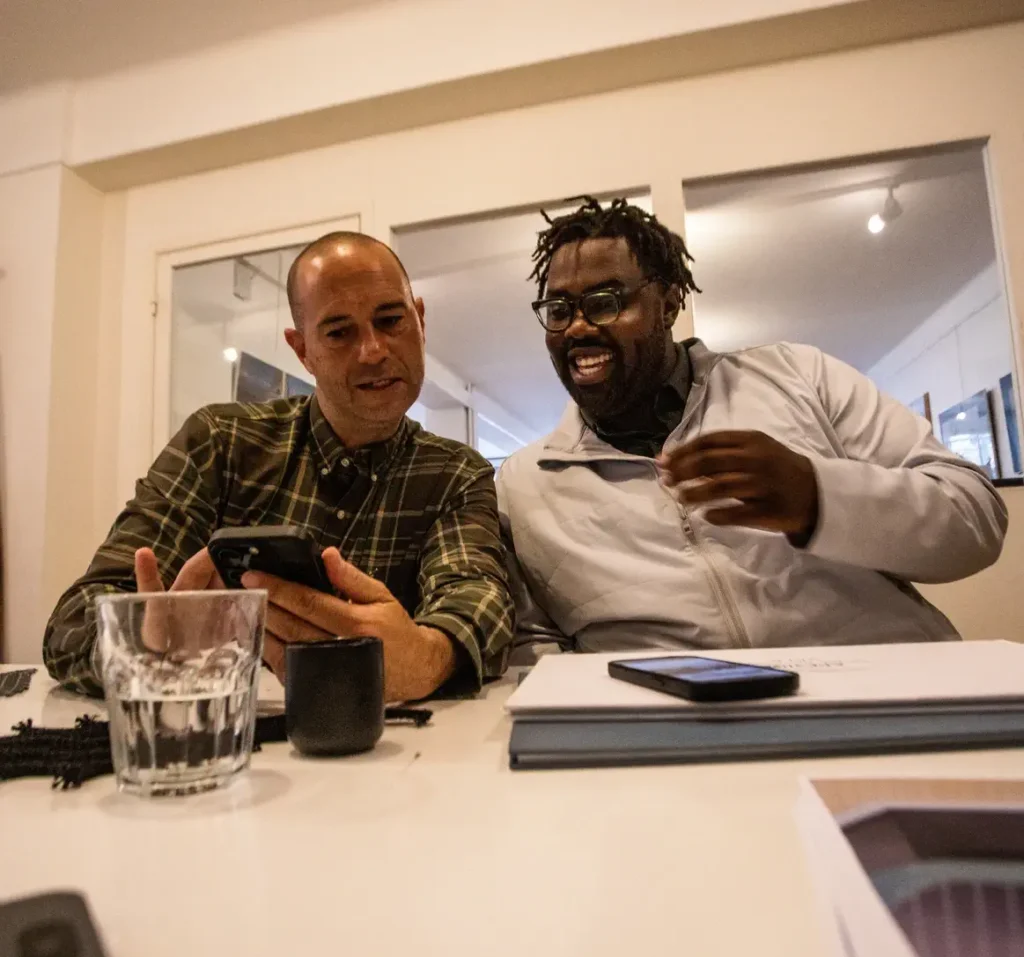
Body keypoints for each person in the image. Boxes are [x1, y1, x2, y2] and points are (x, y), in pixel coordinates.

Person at [497, 197, 1007, 661]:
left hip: (892, 700)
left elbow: (975, 517)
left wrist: (818, 497)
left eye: (606, 301)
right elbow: (534, 648)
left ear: (669, 303)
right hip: (674, 737)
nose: (579, 328)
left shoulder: (798, 377)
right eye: (559, 310)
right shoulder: (525, 485)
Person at [44, 232, 514, 699]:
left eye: (391, 320)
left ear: (421, 321)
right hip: (219, 746)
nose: (373, 350)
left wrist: (428, 656)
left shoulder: (457, 473)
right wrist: (143, 645)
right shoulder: (219, 444)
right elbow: (72, 624)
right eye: (339, 332)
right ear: (301, 349)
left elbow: (476, 598)